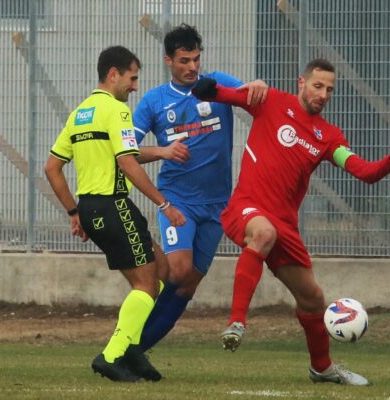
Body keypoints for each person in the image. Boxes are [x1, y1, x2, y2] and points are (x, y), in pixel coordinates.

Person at [191, 58, 390, 385]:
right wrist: (205, 89)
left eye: (330, 89)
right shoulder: (270, 100)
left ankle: (322, 369)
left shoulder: (328, 137)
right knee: (262, 232)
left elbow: (364, 172)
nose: (324, 93)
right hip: (247, 208)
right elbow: (221, 94)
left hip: (285, 228)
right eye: (318, 86)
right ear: (301, 83)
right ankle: (237, 323)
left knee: (313, 299)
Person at [129, 23, 268, 368]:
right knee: (179, 268)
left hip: (218, 204)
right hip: (177, 200)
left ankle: (134, 351)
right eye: (184, 60)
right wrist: (162, 151)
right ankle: (140, 247)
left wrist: (259, 85)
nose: (192, 67)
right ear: (168, 61)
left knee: (187, 285)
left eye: (196, 59)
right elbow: (126, 152)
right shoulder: (155, 101)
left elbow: (251, 93)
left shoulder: (215, 84)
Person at [44, 45, 185, 383]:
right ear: (113, 75)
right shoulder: (116, 110)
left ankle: (132, 348)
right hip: (114, 204)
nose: (135, 86)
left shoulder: (81, 113)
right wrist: (164, 204)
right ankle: (111, 356)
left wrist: (74, 212)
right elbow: (126, 162)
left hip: (93, 207)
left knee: (162, 268)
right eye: (132, 78)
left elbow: (52, 167)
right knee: (147, 284)